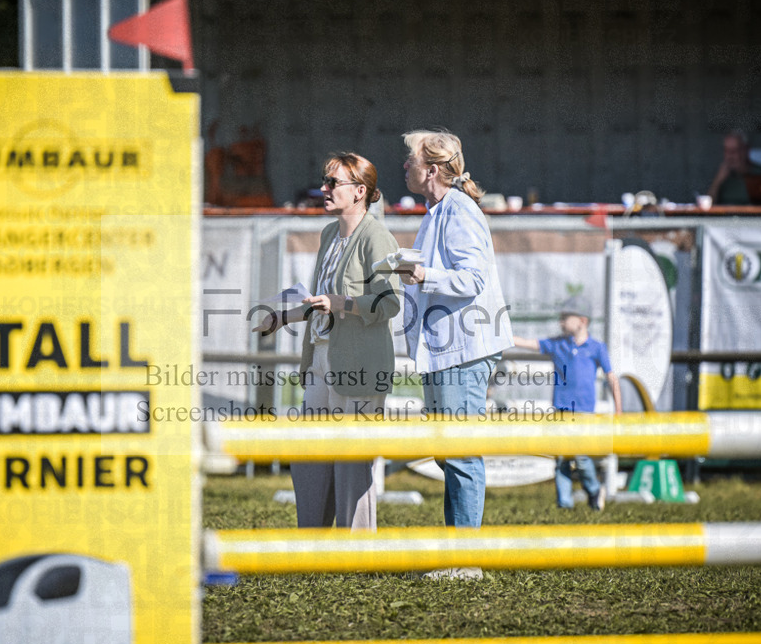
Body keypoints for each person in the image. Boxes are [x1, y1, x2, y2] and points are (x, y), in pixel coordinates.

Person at [253, 153, 401, 531]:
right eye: (325, 181)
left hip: (360, 363)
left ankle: (357, 550)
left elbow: (390, 302)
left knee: (352, 460)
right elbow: (322, 300)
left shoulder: (377, 236)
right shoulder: (328, 234)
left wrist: (342, 304)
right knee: (310, 455)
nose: (323, 189)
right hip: (320, 356)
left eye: (333, 183)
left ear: (359, 192)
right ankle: (314, 542)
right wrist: (283, 318)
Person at [396, 129, 514, 579]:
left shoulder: (459, 211)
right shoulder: (439, 211)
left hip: (462, 350)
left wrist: (422, 273)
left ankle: (464, 561)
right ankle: (456, 553)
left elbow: (472, 279)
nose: (404, 166)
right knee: (450, 452)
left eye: (409, 160)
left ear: (431, 168)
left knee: (460, 452)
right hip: (447, 350)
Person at [512, 296, 622, 511]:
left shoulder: (597, 348)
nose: (561, 322)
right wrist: (502, 336)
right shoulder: (557, 344)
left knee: (581, 457)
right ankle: (565, 504)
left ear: (582, 321)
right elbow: (528, 343)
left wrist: (618, 410)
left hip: (584, 413)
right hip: (561, 410)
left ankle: (593, 489)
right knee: (562, 458)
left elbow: (612, 378)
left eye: (565, 318)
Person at [707, 130, 761, 205]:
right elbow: (708, 205)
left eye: (734, 150)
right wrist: (717, 181)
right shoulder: (721, 177)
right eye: (727, 150)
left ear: (745, 150)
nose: (730, 156)